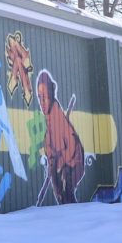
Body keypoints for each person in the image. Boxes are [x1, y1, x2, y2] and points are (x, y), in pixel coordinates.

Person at [36, 71, 84, 204]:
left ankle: (72, 213)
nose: (42, 102)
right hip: (61, 167)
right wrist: (52, 163)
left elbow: (72, 148)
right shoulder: (49, 120)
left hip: (73, 164)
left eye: (44, 97)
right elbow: (50, 149)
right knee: (62, 196)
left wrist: (61, 160)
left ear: (51, 95)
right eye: (39, 97)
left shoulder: (57, 118)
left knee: (67, 193)